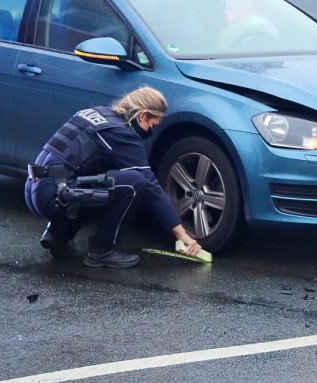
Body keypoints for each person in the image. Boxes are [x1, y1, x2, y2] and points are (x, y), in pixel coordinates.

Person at [24, 86, 203, 268]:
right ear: (143, 115)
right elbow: (150, 185)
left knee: (102, 176)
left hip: (35, 187)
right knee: (135, 183)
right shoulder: (121, 134)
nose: (152, 131)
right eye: (153, 125)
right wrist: (181, 234)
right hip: (53, 197)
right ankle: (101, 251)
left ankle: (58, 235)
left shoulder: (97, 113)